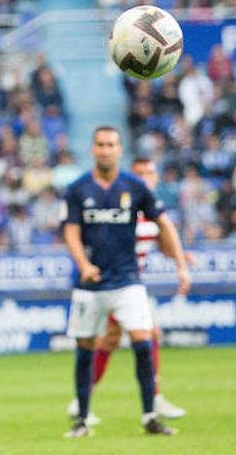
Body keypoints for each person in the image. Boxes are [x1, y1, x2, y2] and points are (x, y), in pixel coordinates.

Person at [62, 128, 190, 438]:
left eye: (111, 145)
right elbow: (70, 231)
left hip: (127, 280)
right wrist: (83, 265)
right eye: (101, 145)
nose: (105, 150)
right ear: (93, 149)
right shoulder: (77, 188)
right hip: (90, 284)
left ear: (120, 150)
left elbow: (164, 225)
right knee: (85, 348)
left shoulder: (135, 187)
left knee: (144, 341)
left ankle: (149, 416)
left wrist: (182, 265)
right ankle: (82, 418)